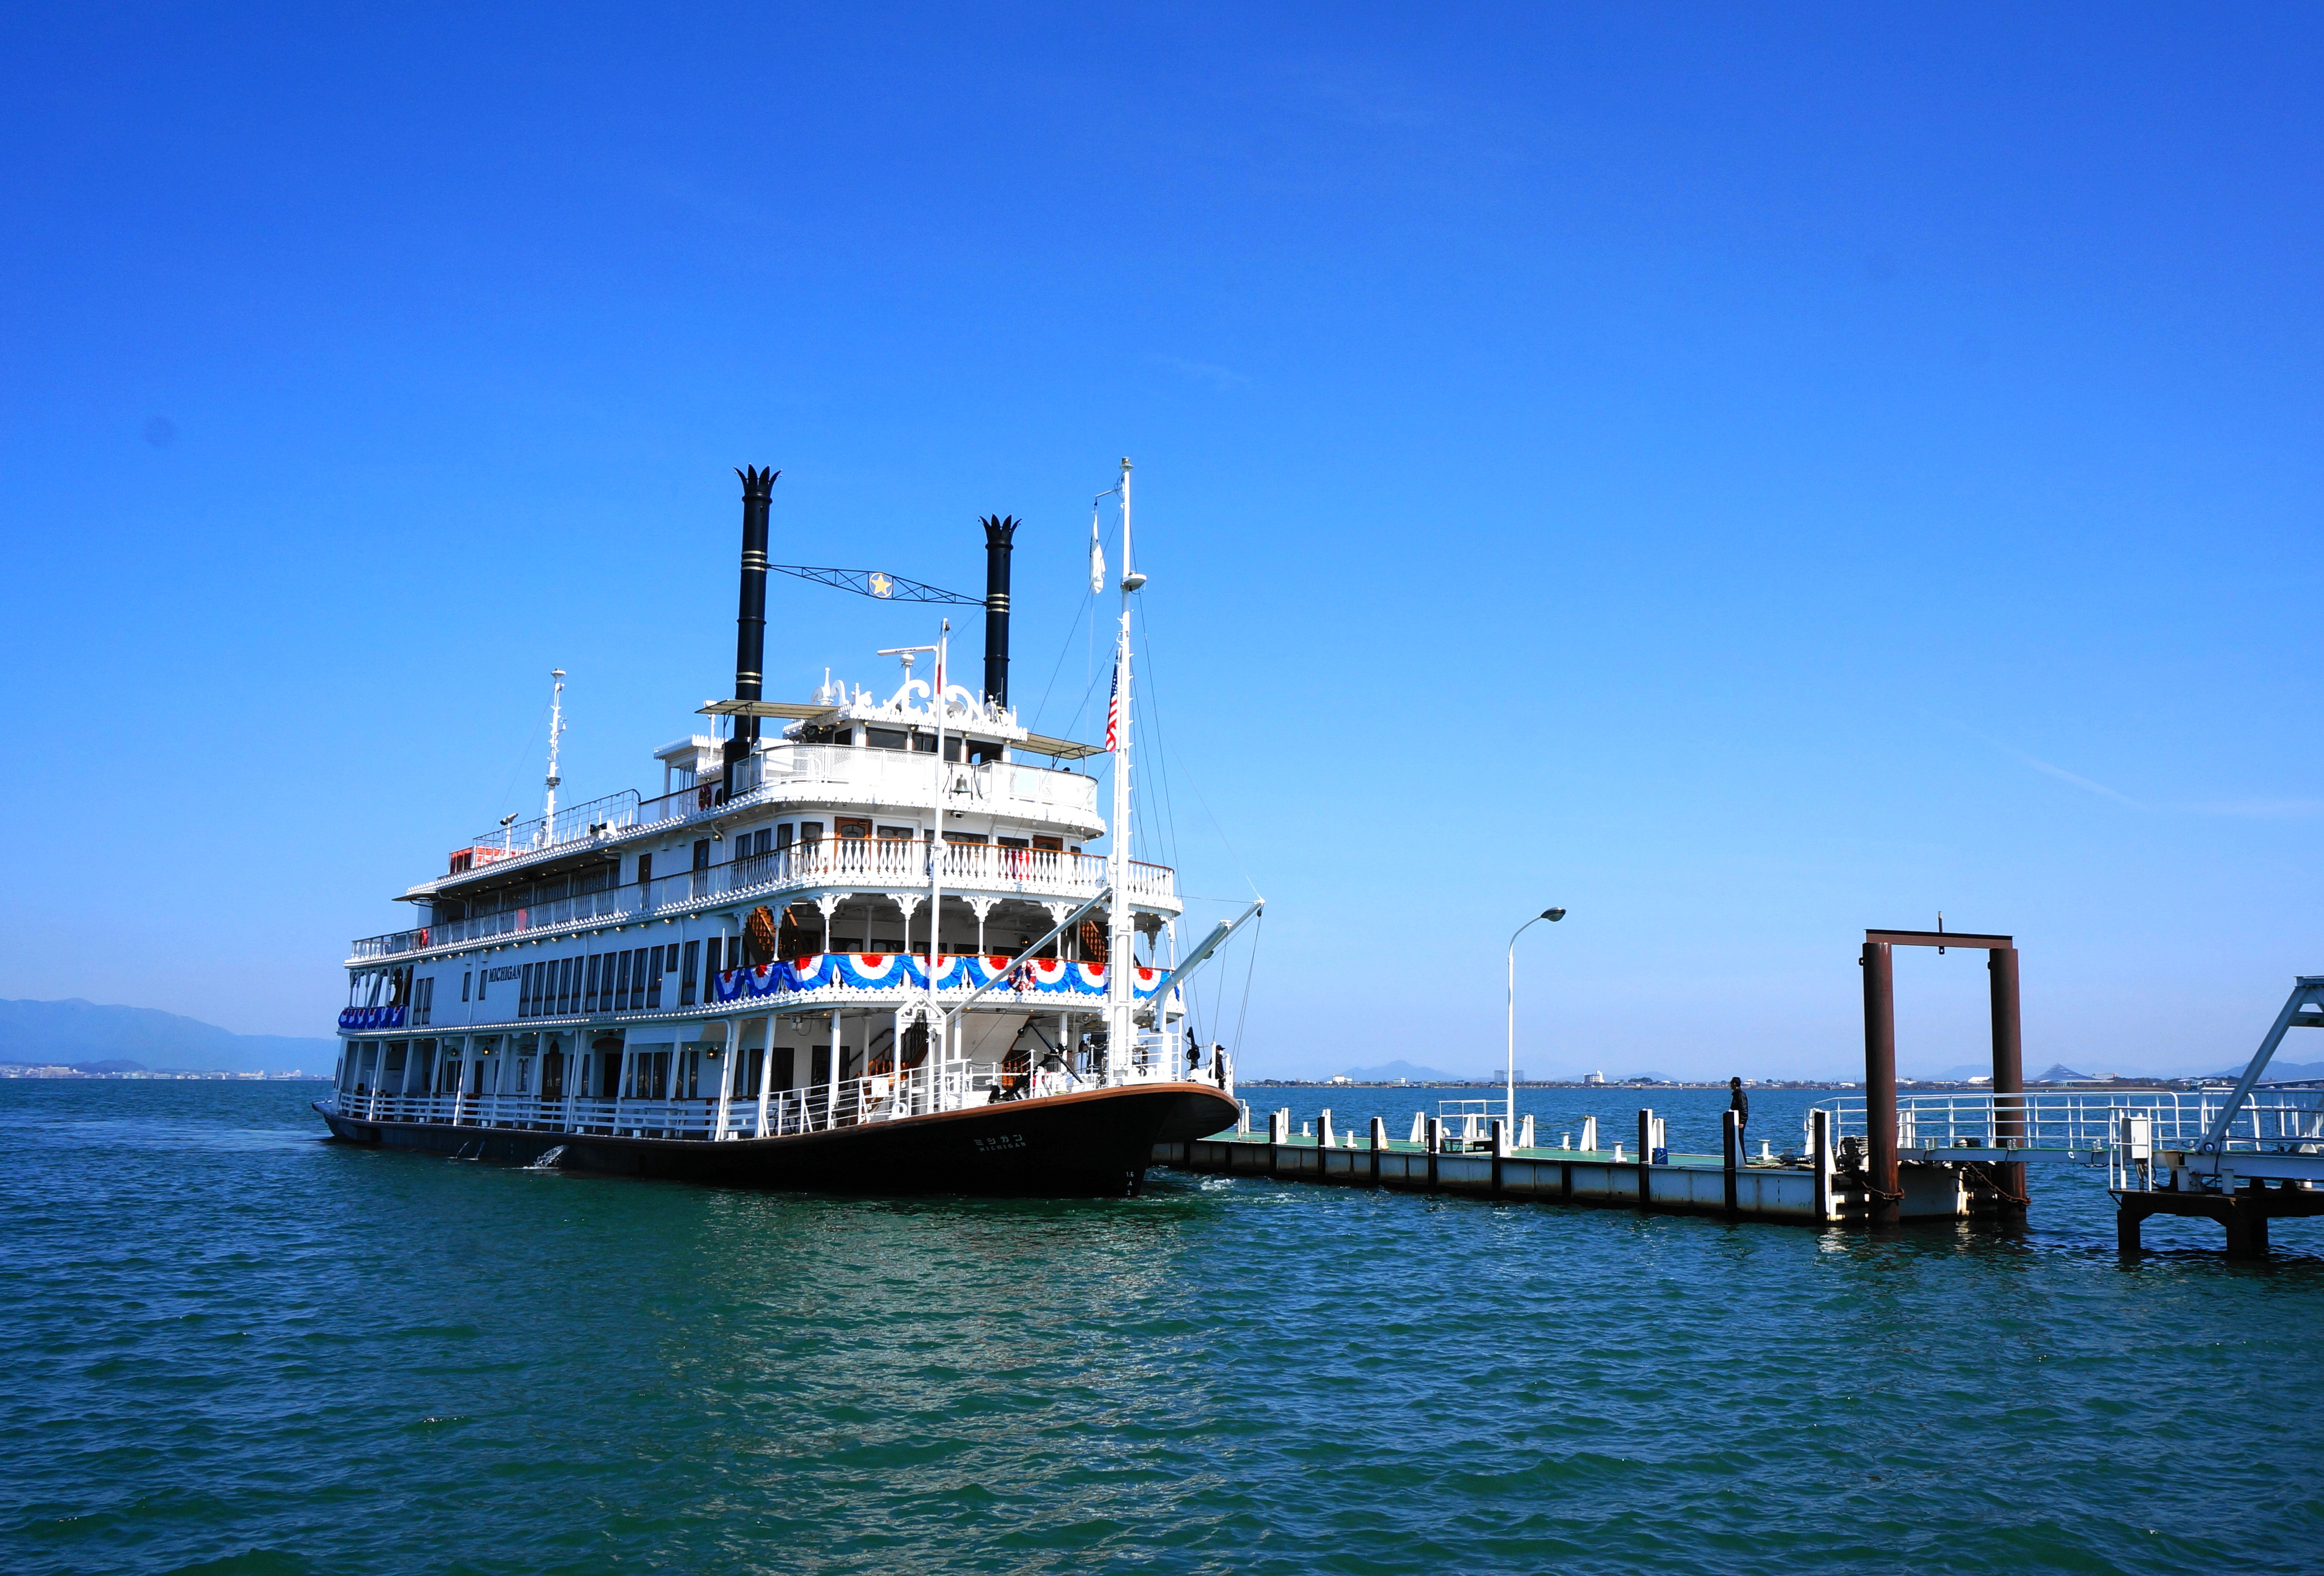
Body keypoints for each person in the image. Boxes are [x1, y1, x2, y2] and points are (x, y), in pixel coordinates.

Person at [1729, 1076, 1749, 1162]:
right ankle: (1736, 1159)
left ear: (1734, 1084)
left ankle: (1742, 1160)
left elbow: (1744, 1109)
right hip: (1734, 1120)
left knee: (1739, 1140)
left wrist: (1742, 1122)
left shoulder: (1741, 1095)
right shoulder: (1736, 1094)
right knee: (1735, 1140)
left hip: (1739, 1122)